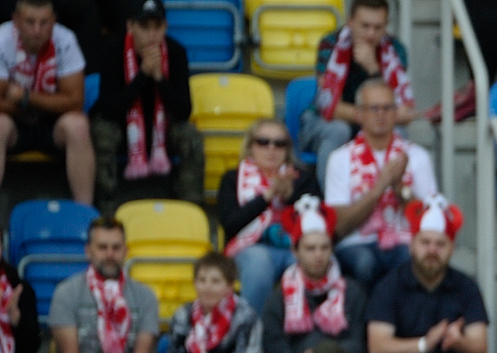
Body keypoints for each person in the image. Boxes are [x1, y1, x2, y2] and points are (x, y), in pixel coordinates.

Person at [366, 199, 493, 353]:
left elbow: (480, 347)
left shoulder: (466, 286)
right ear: (412, 245)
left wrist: (459, 342)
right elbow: (377, 347)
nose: (432, 250)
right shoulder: (390, 285)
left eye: (440, 244)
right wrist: (425, 344)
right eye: (425, 243)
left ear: (451, 248)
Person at [263, 200, 368, 353]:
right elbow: (272, 344)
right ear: (296, 251)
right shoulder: (280, 294)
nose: (318, 255)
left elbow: (360, 344)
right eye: (310, 249)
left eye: (324, 248)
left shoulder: (351, 291)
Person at [324, 78, 437, 284]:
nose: (381, 115)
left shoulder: (417, 156)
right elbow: (339, 227)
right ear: (358, 114)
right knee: (364, 263)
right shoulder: (340, 158)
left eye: (387, 108)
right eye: (373, 108)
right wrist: (378, 189)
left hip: (403, 240)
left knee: (407, 258)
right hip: (356, 242)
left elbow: (429, 221)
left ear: (396, 113)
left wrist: (399, 187)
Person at [90, 0, 202, 208]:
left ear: (165, 28)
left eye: (157, 27)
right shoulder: (113, 51)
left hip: (161, 129)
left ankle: (191, 209)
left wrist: (159, 77)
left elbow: (183, 110)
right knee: (102, 132)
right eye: (144, 27)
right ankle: (104, 209)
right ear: (130, 27)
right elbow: (110, 110)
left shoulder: (176, 53)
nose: (151, 35)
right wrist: (142, 75)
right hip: (122, 129)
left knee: (190, 135)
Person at [50, 216, 159, 353]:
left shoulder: (145, 296)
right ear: (88, 250)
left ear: (125, 251)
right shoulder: (67, 292)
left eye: (116, 248)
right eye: (102, 247)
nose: (110, 254)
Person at [304, 0, 416, 179]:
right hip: (322, 121)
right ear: (350, 22)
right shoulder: (330, 44)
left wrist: (372, 69)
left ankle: (392, 201)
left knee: (398, 134)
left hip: (366, 119)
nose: (371, 34)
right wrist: (377, 114)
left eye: (378, 27)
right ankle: (333, 204)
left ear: (386, 26)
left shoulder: (395, 50)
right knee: (339, 131)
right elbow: (330, 108)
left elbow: (404, 112)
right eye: (365, 26)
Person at [218, 119, 315, 317]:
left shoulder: (302, 179)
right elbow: (230, 224)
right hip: (248, 249)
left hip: (294, 248)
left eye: (279, 143)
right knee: (259, 261)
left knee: (316, 259)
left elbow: (318, 221)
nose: (271, 149)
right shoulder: (233, 178)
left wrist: (289, 196)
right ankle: (252, 333)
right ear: (250, 146)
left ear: (287, 149)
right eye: (263, 142)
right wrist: (267, 196)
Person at [0, 0, 93, 206]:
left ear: (53, 21)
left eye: (44, 23)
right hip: (14, 124)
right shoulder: (2, 39)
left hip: (53, 125)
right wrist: (48, 102)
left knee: (78, 125)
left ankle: (86, 219)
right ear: (16, 21)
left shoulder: (65, 39)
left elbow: (75, 102)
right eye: (30, 22)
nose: (37, 30)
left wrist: (26, 97)